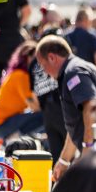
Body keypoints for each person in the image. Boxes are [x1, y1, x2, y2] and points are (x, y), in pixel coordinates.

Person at [35, 35, 96, 181]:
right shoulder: (70, 71)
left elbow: (91, 108)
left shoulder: (74, 72)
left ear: (52, 57)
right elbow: (76, 123)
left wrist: (88, 149)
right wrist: (63, 161)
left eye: (43, 66)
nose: (45, 72)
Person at [0, 40, 43, 139]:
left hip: (2, 123)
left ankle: (16, 138)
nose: (38, 62)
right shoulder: (21, 76)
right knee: (44, 116)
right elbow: (34, 106)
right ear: (26, 57)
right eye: (35, 58)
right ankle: (14, 138)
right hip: (2, 124)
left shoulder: (17, 74)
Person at [30, 26, 66, 163]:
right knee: (69, 154)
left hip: (47, 113)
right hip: (62, 111)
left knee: (56, 156)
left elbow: (33, 95)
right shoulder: (61, 61)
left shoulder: (34, 63)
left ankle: (57, 184)